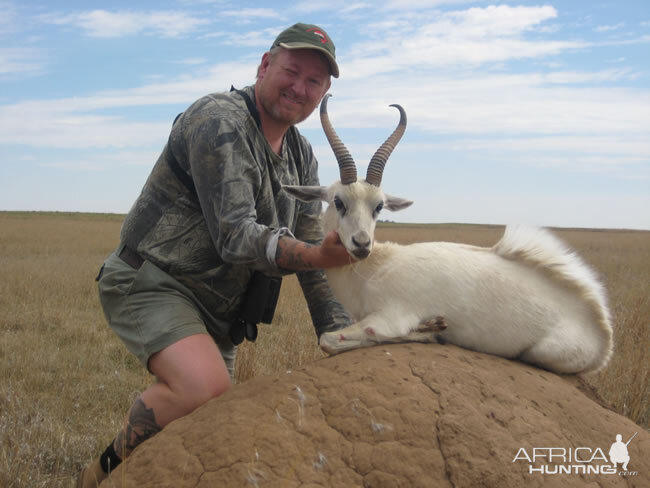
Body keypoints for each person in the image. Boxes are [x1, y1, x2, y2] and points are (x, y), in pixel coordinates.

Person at [77, 22, 352, 487]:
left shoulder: (303, 156)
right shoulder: (219, 120)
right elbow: (237, 236)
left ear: (323, 91)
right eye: (292, 71)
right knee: (201, 390)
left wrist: (342, 339)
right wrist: (319, 255)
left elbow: (311, 252)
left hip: (218, 311)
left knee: (204, 430)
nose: (299, 87)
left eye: (314, 82)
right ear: (265, 65)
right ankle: (99, 476)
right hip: (152, 279)